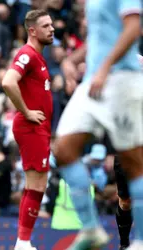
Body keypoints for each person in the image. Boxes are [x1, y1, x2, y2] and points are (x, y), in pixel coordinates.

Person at [53, 0, 143, 248]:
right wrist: (72, 59)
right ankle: (91, 229)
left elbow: (134, 27)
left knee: (133, 161)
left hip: (122, 79)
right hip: (93, 81)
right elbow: (103, 37)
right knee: (62, 148)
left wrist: (105, 66)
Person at [1, 9, 54, 250]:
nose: (51, 29)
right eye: (45, 26)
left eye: (51, 25)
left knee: (35, 184)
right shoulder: (27, 54)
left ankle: (23, 242)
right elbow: (8, 81)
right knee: (37, 184)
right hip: (31, 126)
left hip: (39, 127)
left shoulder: (38, 57)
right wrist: (26, 111)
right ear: (32, 31)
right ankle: (23, 242)